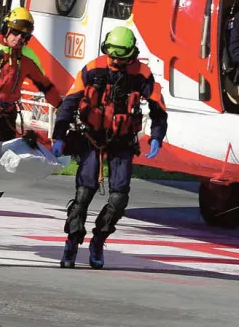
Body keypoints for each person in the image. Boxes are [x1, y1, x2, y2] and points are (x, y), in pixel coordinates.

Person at [52, 26, 167, 270]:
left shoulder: (142, 74)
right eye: (112, 56)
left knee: (119, 197)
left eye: (121, 57)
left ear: (132, 54)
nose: (115, 61)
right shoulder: (93, 69)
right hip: (90, 138)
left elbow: (158, 108)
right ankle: (72, 242)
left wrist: (157, 136)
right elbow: (69, 103)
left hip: (122, 141)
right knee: (84, 194)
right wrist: (59, 136)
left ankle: (98, 241)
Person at [0, 7, 63, 248]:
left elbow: (46, 86)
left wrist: (64, 109)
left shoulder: (25, 60)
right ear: (5, 29)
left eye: (25, 36)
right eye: (16, 33)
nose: (20, 39)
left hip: (7, 120)